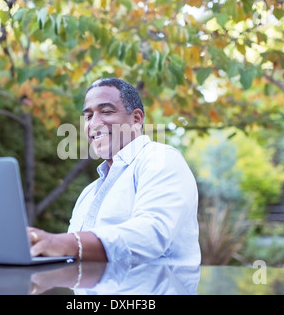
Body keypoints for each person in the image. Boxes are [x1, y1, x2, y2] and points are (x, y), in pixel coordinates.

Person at [27, 78, 200, 265]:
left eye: (106, 112)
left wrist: (64, 243)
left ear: (136, 119)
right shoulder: (89, 193)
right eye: (88, 116)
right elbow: (76, 261)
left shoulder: (161, 159)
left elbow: (151, 235)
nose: (94, 123)